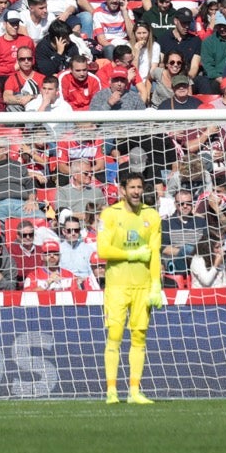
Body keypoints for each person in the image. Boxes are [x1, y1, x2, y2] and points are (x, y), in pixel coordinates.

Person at [96, 172, 162, 403]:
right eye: (132, 187)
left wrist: (156, 285)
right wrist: (132, 254)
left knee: (139, 336)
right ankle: (111, 391)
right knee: (114, 334)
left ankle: (134, 391)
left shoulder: (151, 215)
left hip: (143, 286)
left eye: (139, 187)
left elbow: (155, 254)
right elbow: (103, 250)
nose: (136, 191)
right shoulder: (110, 214)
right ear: (122, 190)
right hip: (117, 286)